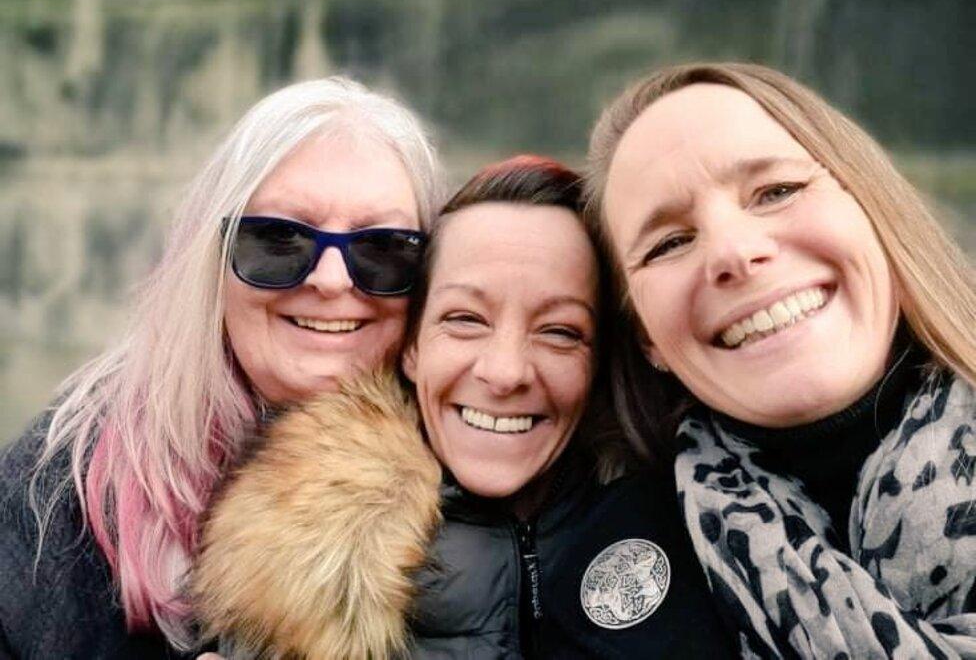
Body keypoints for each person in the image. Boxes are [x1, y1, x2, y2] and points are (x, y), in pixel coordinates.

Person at [191, 156, 736, 659]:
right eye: (465, 320)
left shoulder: (699, 516)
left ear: (602, 360)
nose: (504, 373)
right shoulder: (297, 560)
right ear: (411, 346)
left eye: (560, 331)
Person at [0, 77, 444, 658]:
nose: (331, 281)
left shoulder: (488, 457)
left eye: (384, 248)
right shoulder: (67, 482)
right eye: (278, 239)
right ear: (212, 258)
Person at [583, 61, 976, 657]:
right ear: (647, 340)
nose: (735, 253)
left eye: (777, 191)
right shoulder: (604, 596)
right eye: (669, 243)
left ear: (874, 207)